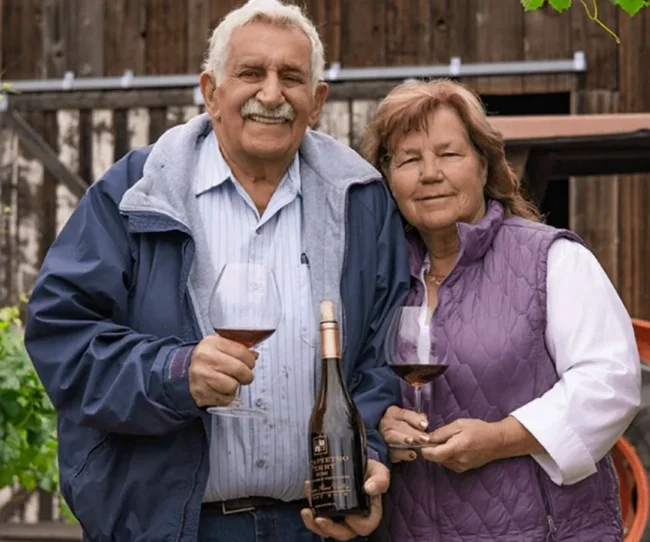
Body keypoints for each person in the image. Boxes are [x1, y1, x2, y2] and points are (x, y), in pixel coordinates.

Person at [24, 1, 410, 540]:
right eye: (251, 73)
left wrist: (367, 457)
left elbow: (382, 356)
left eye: (291, 77)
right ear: (210, 91)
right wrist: (174, 373)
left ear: (317, 101)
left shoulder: (360, 201)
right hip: (170, 528)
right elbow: (61, 337)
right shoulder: (136, 194)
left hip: (315, 527)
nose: (271, 95)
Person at [360, 79, 642, 541]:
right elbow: (352, 383)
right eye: (409, 160)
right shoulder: (378, 276)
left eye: (449, 154)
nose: (430, 173)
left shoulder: (549, 259)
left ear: (484, 164)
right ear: (388, 178)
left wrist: (502, 438)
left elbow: (610, 381)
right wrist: (378, 424)